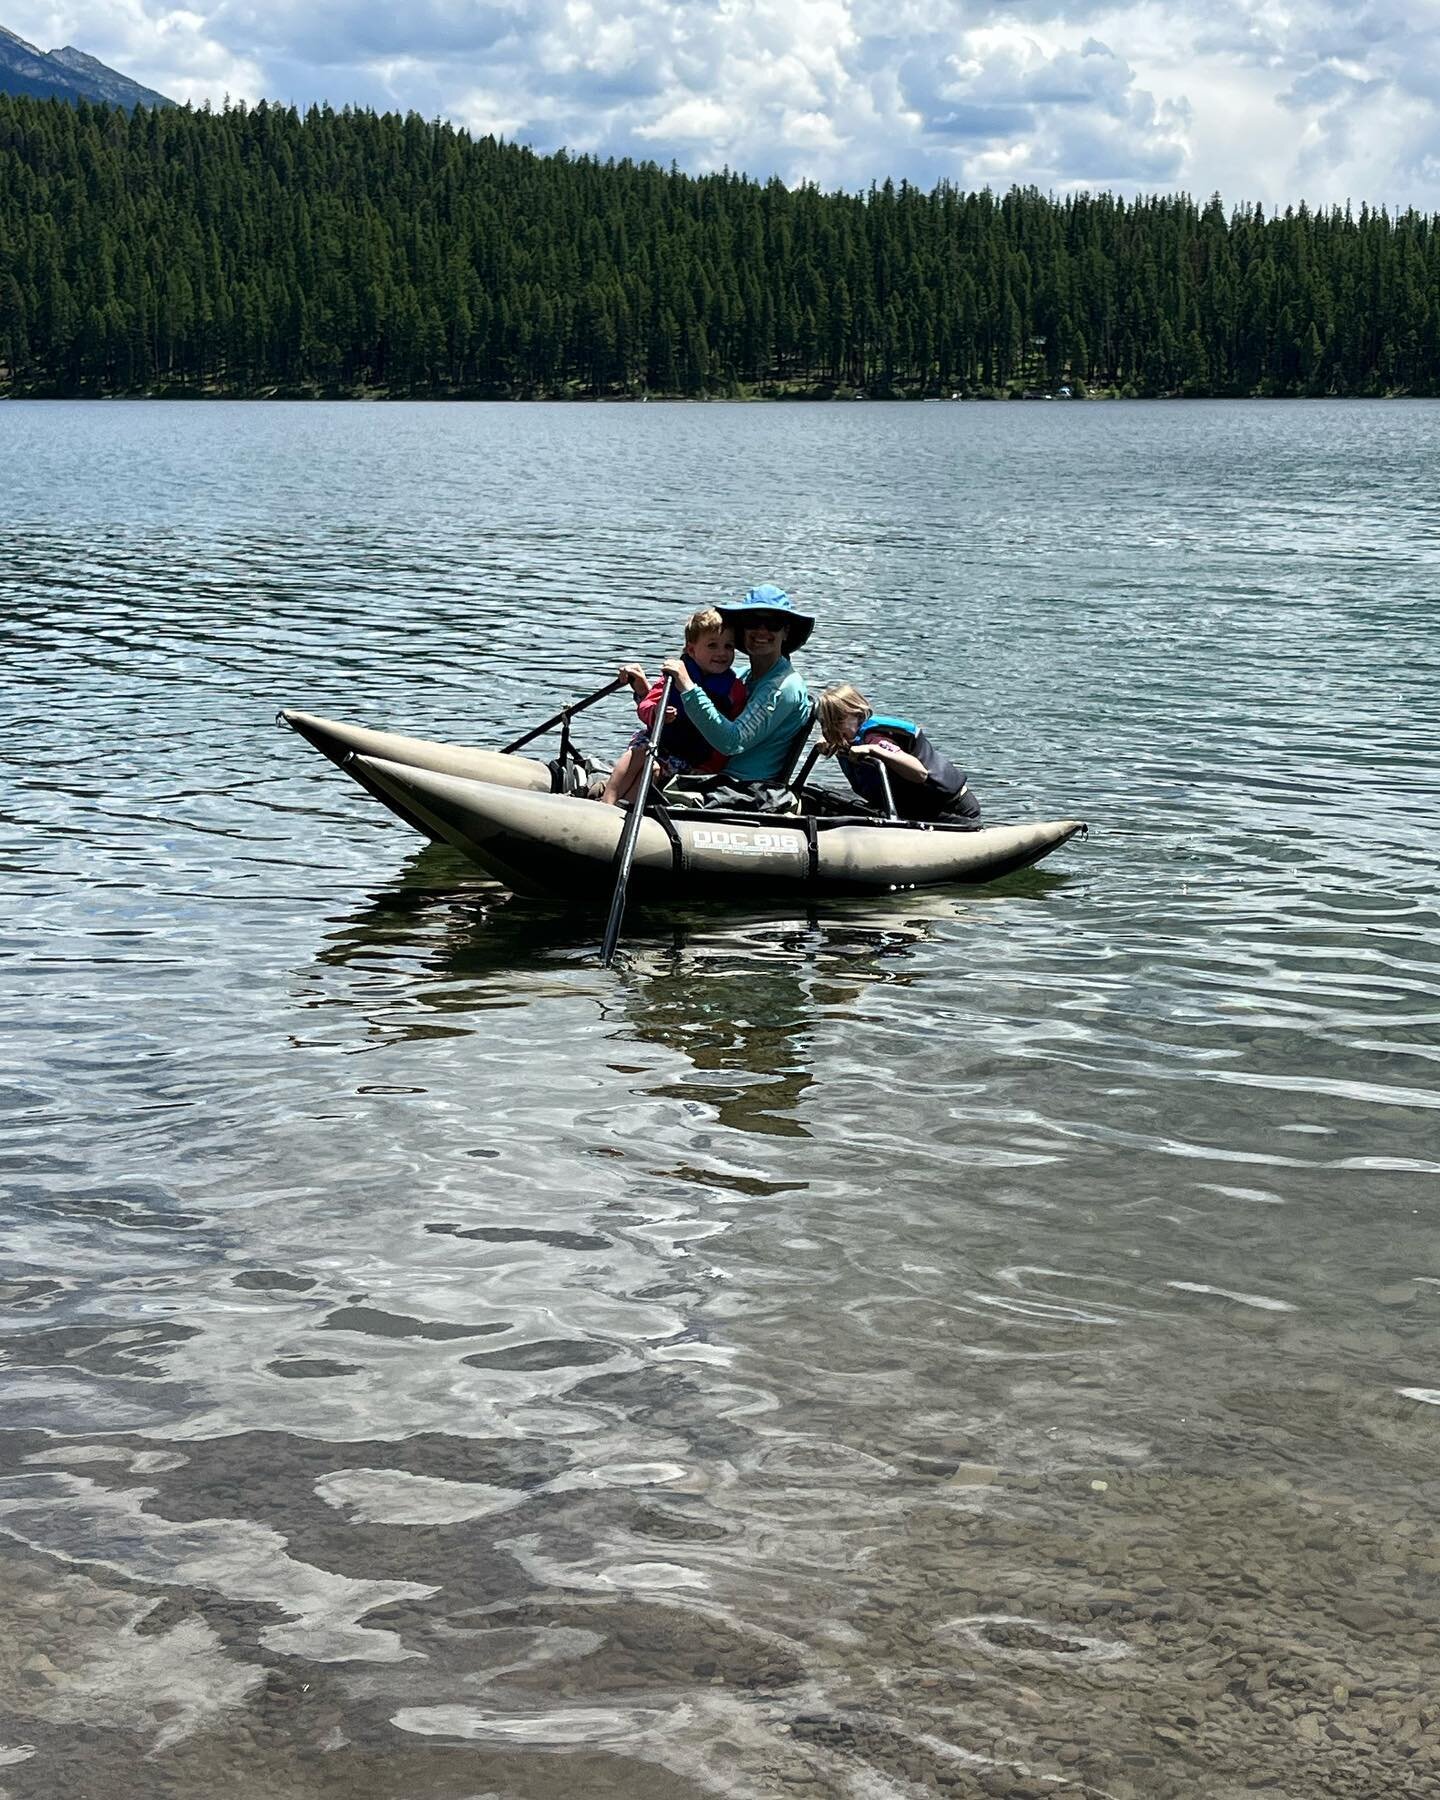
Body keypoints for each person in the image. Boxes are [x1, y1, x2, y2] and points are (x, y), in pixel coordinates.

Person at [661, 584, 814, 786]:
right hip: (703, 773)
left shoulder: (784, 687)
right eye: (753, 621)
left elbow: (732, 742)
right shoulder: (738, 677)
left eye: (773, 623)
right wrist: (644, 690)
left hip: (741, 789)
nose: (761, 631)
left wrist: (688, 686)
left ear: (785, 632)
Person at [600, 607, 747, 805]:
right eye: (712, 645)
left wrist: (709, 767)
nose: (722, 653)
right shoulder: (674, 674)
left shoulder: (734, 689)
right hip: (656, 743)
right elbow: (646, 705)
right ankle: (607, 802)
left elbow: (726, 737)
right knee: (637, 754)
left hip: (689, 758)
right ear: (692, 650)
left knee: (652, 770)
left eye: (729, 647)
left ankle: (626, 808)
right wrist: (656, 711)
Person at [817, 683, 982, 824]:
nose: (830, 730)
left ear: (859, 715)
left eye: (838, 721)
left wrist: (875, 750)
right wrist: (832, 743)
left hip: (953, 809)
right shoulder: (847, 740)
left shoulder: (876, 740)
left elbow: (920, 773)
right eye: (824, 724)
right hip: (917, 809)